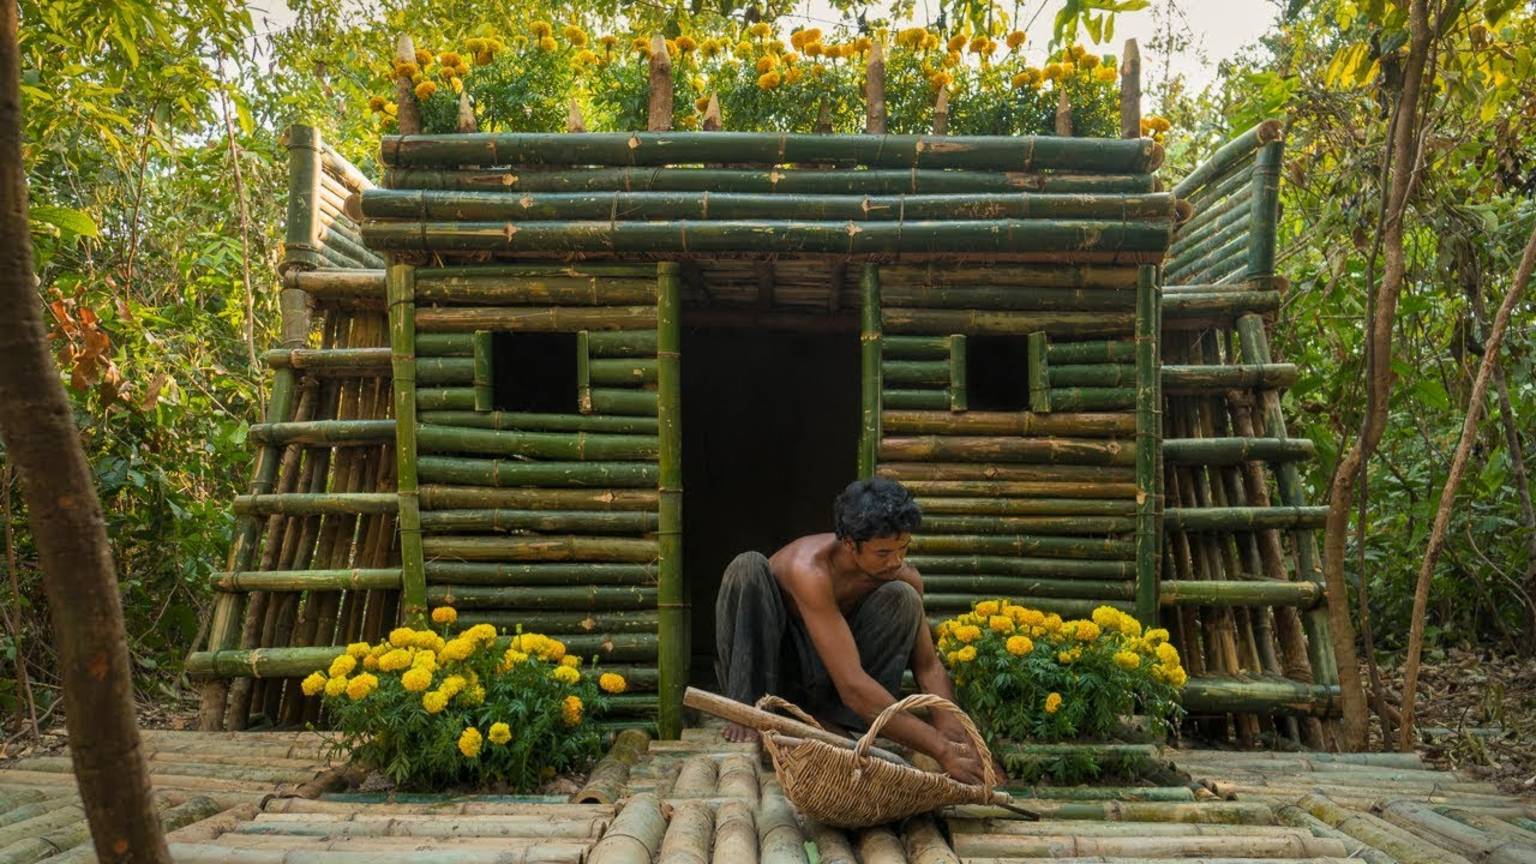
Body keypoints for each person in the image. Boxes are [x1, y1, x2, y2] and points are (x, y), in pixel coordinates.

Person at [713, 477, 986, 785]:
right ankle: (748, 712)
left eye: (903, 549)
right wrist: (938, 748)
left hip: (830, 682)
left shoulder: (902, 576)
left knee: (904, 596)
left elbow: (927, 665)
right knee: (747, 565)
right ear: (848, 544)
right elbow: (853, 686)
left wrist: (956, 737)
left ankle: (832, 721)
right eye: (883, 553)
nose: (896, 561)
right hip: (777, 677)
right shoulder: (808, 570)